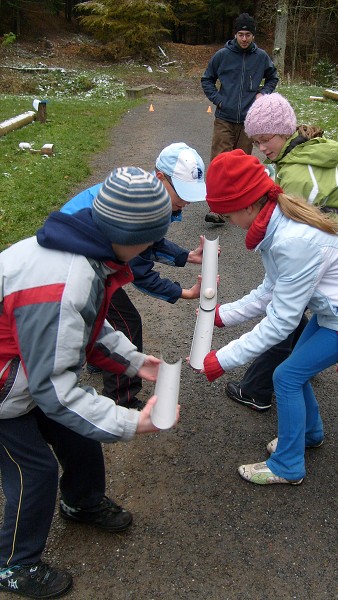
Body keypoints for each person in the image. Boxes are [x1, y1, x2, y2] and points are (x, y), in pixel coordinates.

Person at [0, 167, 179, 598]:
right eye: (152, 239)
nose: (153, 248)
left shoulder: (88, 254)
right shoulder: (63, 280)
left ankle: (80, 501)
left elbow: (84, 326)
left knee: (79, 440)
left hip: (25, 373)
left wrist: (135, 363)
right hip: (4, 394)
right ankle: (13, 564)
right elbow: (55, 390)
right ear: (132, 236)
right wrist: (133, 423)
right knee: (34, 471)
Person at [199, 150, 338, 485]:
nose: (228, 220)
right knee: (294, 371)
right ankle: (309, 433)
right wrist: (223, 316)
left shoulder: (293, 240)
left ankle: (288, 466)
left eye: (227, 213)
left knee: (286, 376)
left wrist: (221, 359)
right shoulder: (276, 222)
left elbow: (281, 322)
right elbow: (271, 290)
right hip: (337, 306)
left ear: (248, 204)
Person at [224, 92, 338, 412]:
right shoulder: (297, 157)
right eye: (256, 142)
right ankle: (301, 361)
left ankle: (258, 389)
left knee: (282, 312)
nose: (261, 149)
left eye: (266, 139)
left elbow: (287, 226)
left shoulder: (300, 173)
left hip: (330, 257)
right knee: (293, 312)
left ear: (286, 131)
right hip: (326, 251)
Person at [62, 143, 206, 411]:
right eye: (182, 194)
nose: (185, 202)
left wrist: (187, 257)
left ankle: (97, 357)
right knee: (126, 324)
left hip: (91, 253)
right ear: (160, 177)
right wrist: (184, 293)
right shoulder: (137, 205)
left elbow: (152, 241)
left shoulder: (149, 194)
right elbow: (138, 271)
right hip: (76, 258)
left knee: (102, 317)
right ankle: (121, 398)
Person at [201, 12, 278, 224]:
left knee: (242, 163)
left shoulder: (261, 57)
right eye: (241, 34)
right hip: (224, 117)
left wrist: (264, 93)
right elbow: (207, 79)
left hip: (248, 121)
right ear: (235, 34)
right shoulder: (222, 56)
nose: (244, 39)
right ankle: (216, 209)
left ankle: (240, 205)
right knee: (220, 161)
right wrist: (219, 100)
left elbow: (272, 77)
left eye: (248, 35)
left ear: (253, 36)